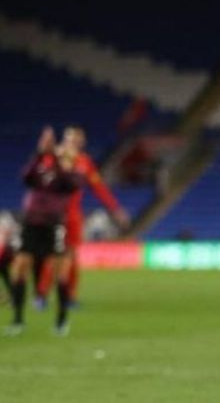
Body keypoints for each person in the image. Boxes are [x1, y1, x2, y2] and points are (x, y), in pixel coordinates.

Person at [35, 126, 129, 309]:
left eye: (77, 139)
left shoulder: (85, 162)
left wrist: (115, 209)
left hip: (73, 216)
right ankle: (41, 295)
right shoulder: (52, 158)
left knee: (71, 258)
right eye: (70, 138)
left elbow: (99, 187)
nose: (73, 142)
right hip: (53, 214)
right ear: (64, 139)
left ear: (82, 142)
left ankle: (69, 297)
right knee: (52, 256)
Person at [6, 127, 83, 336]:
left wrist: (55, 159)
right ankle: (18, 320)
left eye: (68, 156)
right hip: (31, 223)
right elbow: (26, 177)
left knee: (60, 271)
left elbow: (66, 183)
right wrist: (41, 153)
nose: (64, 157)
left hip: (54, 225)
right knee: (19, 267)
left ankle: (61, 321)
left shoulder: (74, 175)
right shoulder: (42, 170)